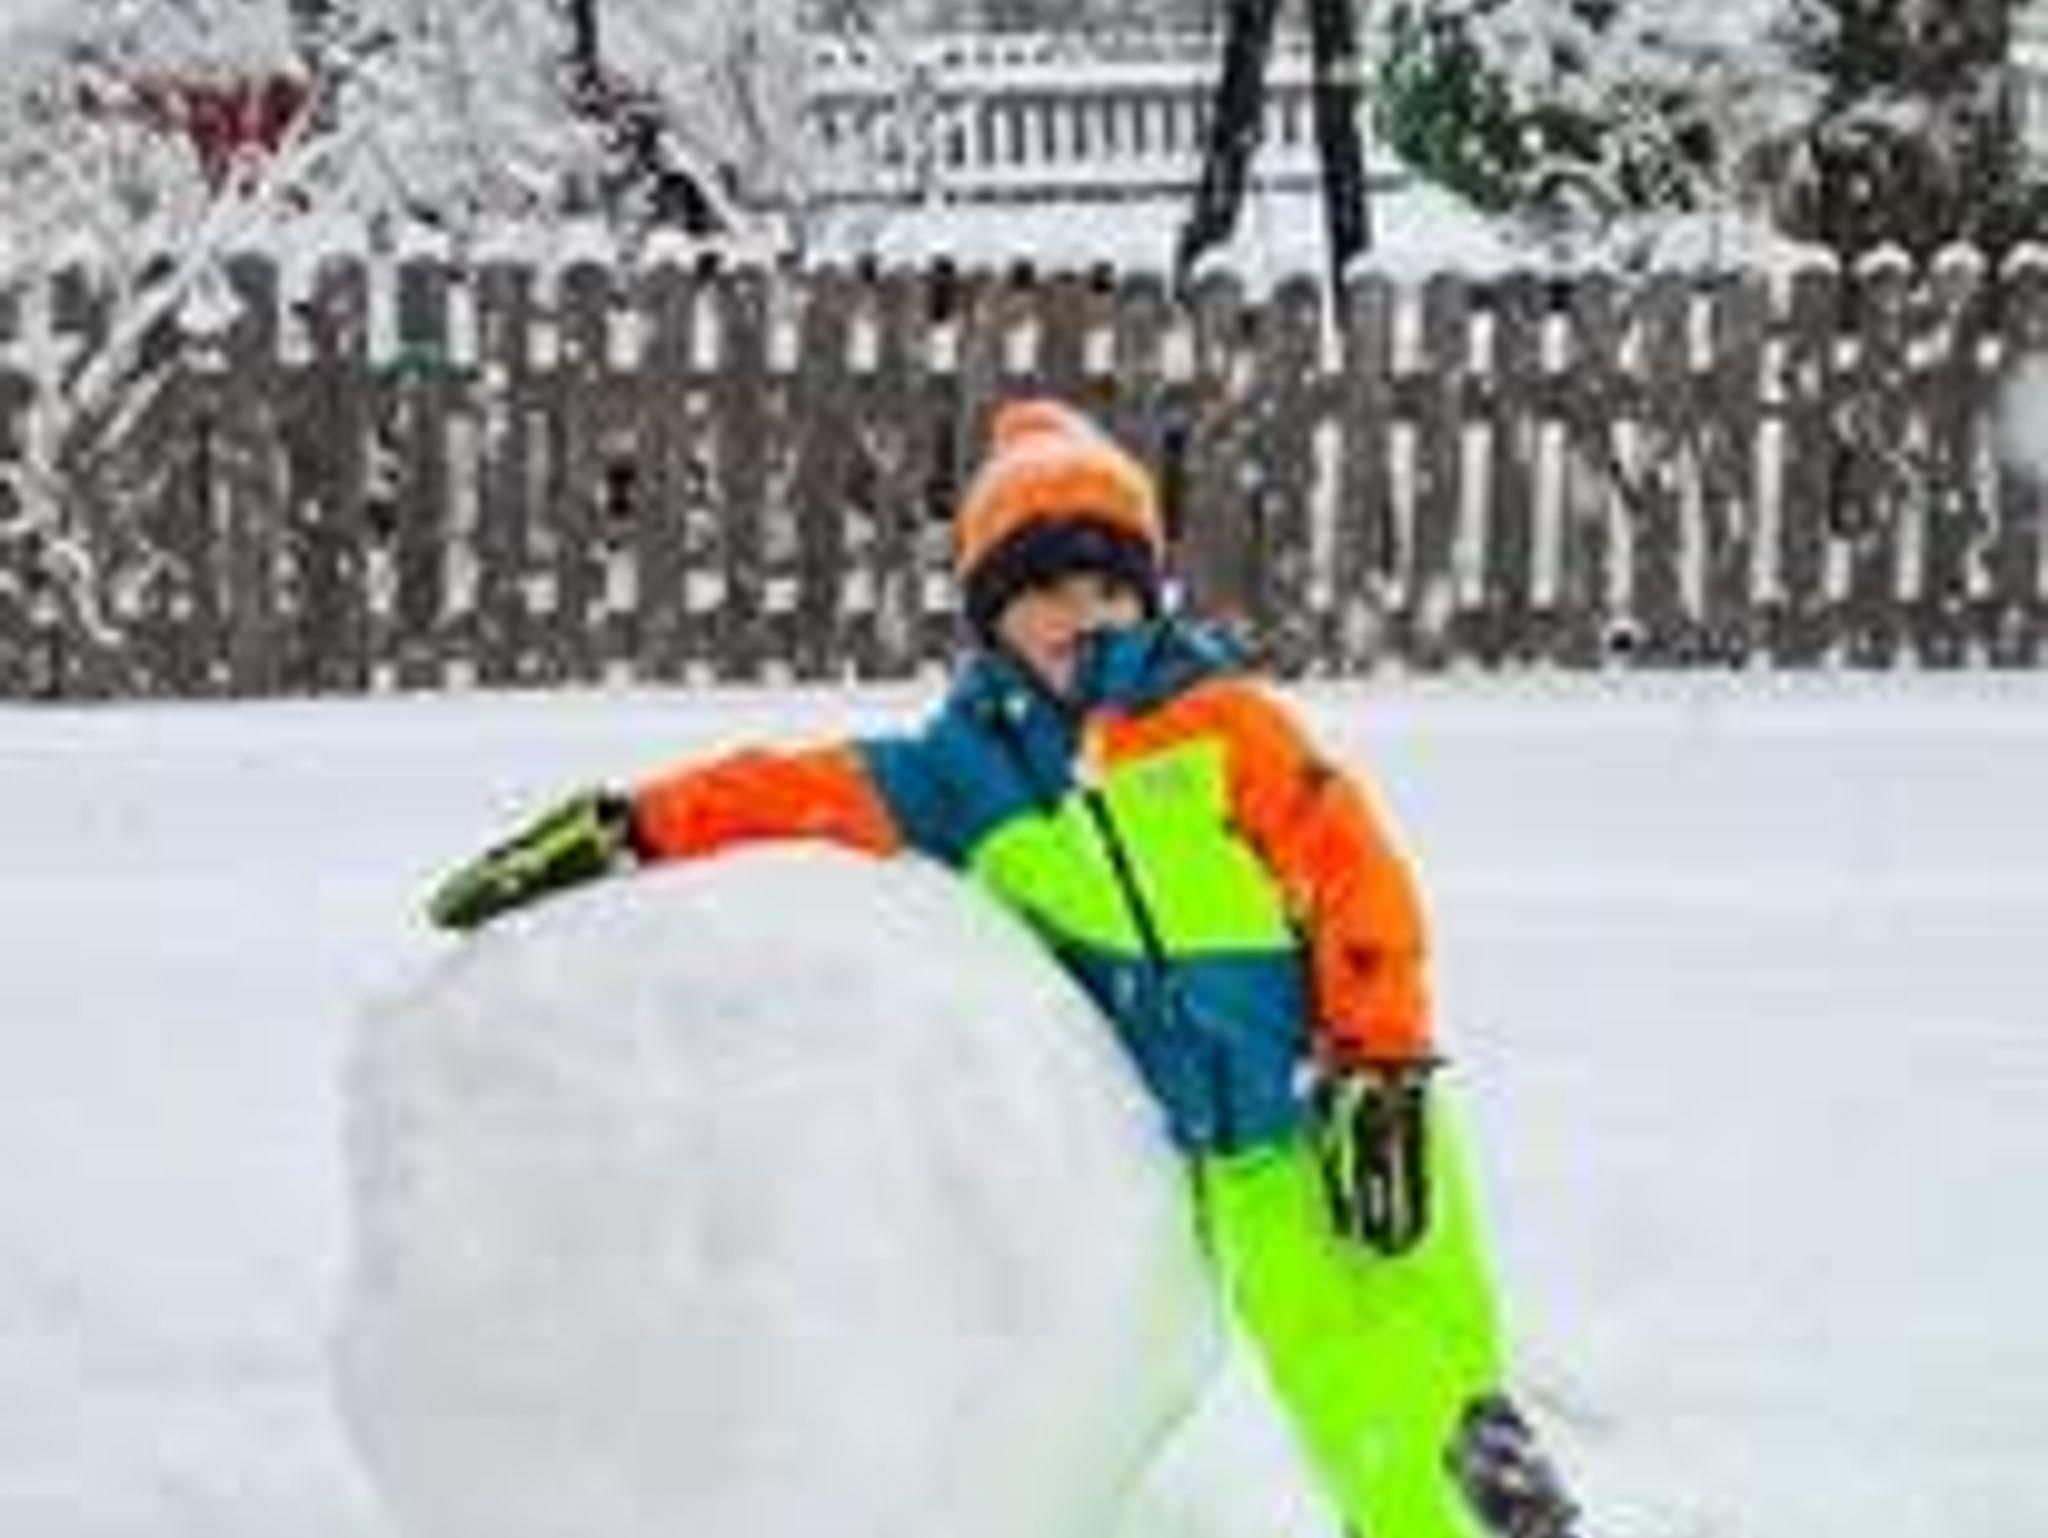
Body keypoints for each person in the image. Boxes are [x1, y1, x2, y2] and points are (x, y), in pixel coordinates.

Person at [426, 398, 1580, 1538]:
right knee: (1331, 1371)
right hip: (1215, 1153)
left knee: (1415, 1330)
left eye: (1108, 585)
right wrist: (632, 826)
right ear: (991, 612)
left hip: (1334, 1096)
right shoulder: (963, 776)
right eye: (1047, 586)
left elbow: (1353, 873)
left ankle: (1491, 1489)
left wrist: (1381, 1058)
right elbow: (790, 789)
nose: (1083, 613)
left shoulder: (1221, 724)